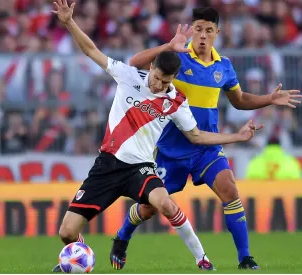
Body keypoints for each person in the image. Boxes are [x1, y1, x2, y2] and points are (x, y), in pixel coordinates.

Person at [50, 1, 264, 272]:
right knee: (66, 233)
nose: (158, 86)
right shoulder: (128, 76)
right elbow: (92, 50)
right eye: (157, 78)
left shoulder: (175, 100)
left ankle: (203, 260)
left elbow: (197, 136)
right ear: (152, 69)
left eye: (165, 82)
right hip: (107, 165)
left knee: (165, 203)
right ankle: (79, 254)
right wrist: (69, 22)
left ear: (173, 80)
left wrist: (237, 137)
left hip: (141, 168)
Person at [112, 7, 302, 270]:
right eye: (198, 29)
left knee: (230, 189)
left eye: (208, 30)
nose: (202, 35)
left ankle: (245, 258)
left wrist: (269, 99)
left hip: (206, 147)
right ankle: (122, 236)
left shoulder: (223, 66)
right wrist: (167, 46)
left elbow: (240, 100)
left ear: (217, 33)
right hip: (171, 149)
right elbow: (134, 63)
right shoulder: (177, 59)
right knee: (148, 208)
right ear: (192, 30)